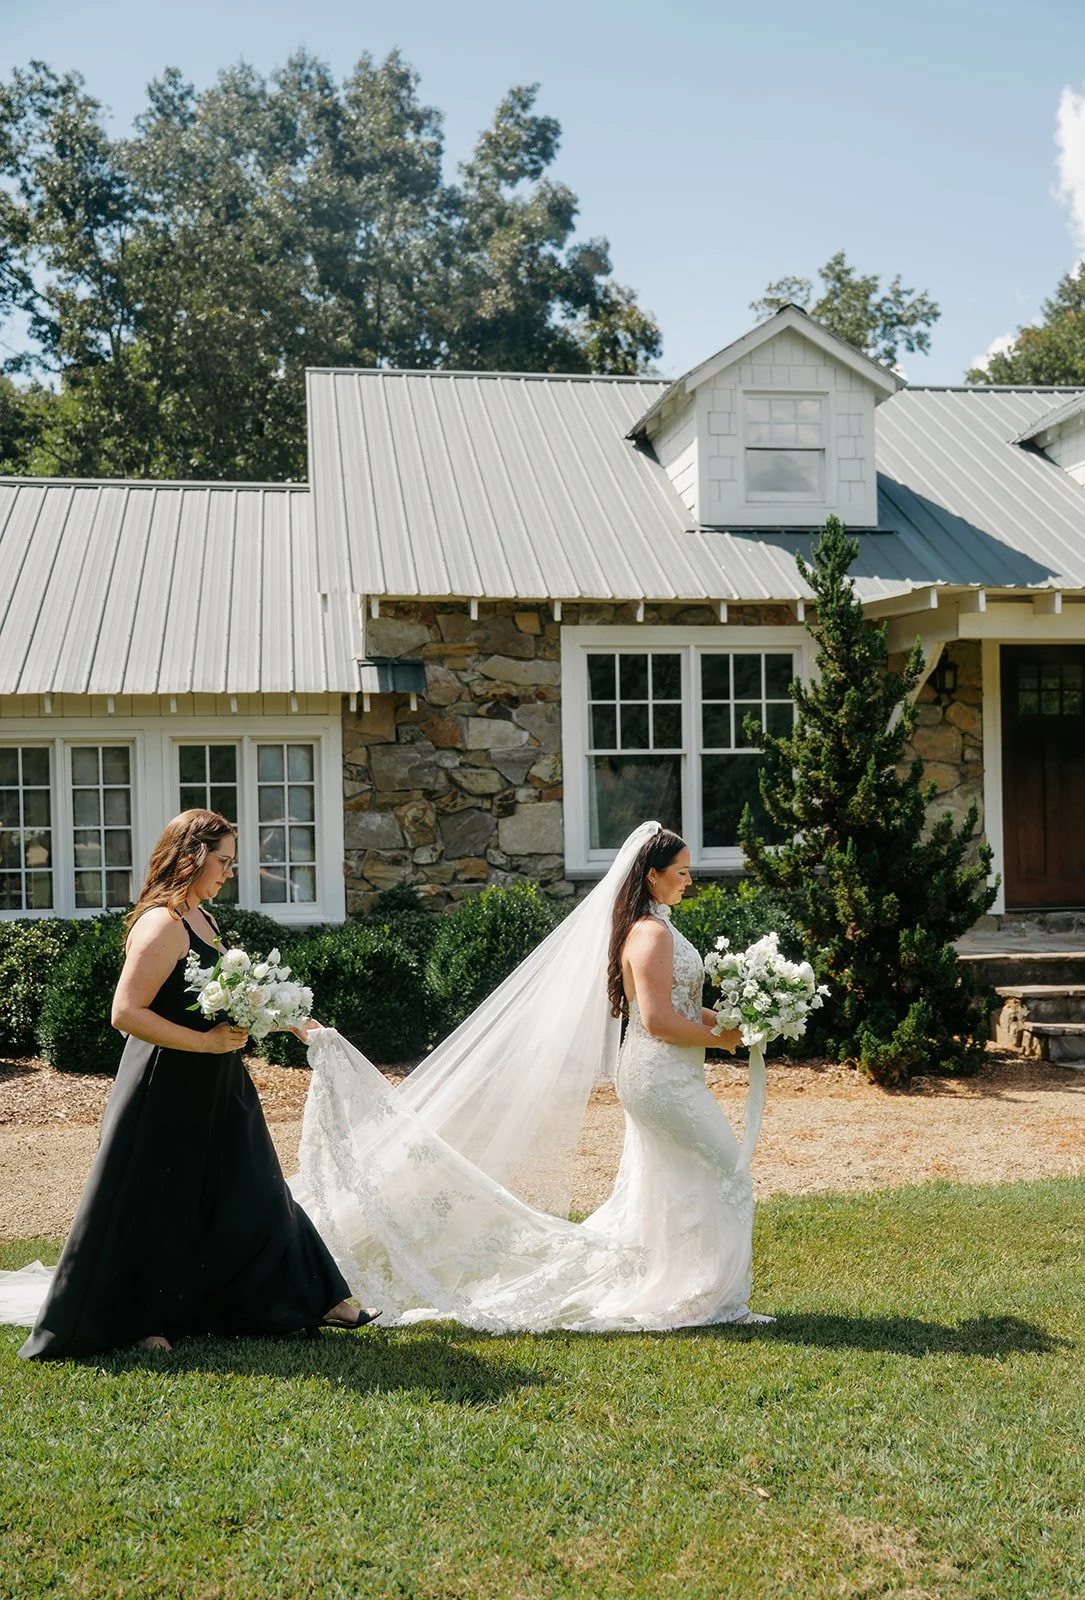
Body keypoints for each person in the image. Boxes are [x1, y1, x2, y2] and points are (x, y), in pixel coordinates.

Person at [288, 821, 773, 1330]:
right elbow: (656, 1020)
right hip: (660, 1077)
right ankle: (715, 1297)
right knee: (727, 1171)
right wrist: (722, 1041)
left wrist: (743, 1022)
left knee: (674, 1181)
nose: (689, 879)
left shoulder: (659, 927)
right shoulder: (650, 933)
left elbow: (684, 1007)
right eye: (682, 871)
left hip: (669, 1075)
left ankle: (691, 1288)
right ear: (652, 876)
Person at [8, 809, 378, 1359]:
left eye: (232, 861)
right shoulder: (161, 924)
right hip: (165, 1083)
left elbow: (227, 997)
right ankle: (144, 1319)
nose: (229, 872)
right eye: (223, 860)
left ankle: (318, 1297)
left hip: (219, 1080)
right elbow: (125, 1012)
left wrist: (289, 1020)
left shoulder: (203, 917)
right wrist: (204, 1043)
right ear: (191, 858)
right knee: (157, 1200)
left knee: (258, 1186)